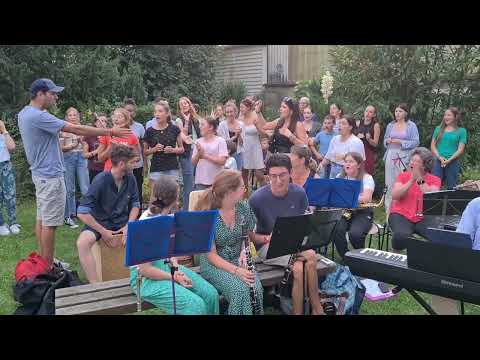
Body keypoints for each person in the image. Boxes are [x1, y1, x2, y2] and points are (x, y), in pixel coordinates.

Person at [18, 78, 132, 266]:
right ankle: (48, 266)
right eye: (52, 93)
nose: (56, 97)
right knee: (50, 223)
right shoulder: (39, 116)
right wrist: (109, 131)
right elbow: (75, 128)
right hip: (50, 175)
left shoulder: (26, 113)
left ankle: (44, 260)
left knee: (42, 218)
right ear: (40, 94)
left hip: (41, 174)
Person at [130, 176, 219, 315]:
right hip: (146, 280)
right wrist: (173, 277)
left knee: (210, 295)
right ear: (175, 200)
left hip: (167, 268)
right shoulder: (146, 223)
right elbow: (145, 270)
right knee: (196, 306)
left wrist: (176, 269)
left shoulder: (168, 218)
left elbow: (170, 253)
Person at [249, 154, 325, 315]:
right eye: (273, 176)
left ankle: (298, 312)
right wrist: (265, 238)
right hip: (268, 248)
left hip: (294, 245)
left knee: (298, 268)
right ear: (268, 175)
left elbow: (306, 223)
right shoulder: (257, 198)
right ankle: (317, 309)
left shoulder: (298, 193)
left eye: (282, 175)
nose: (278, 180)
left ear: (290, 173)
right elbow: (248, 235)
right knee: (310, 256)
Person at [196, 169, 264, 315]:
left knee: (255, 288)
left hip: (237, 261)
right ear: (229, 192)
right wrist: (237, 271)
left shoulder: (243, 208)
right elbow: (211, 256)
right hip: (214, 265)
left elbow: (245, 237)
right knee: (240, 291)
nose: (245, 189)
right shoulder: (207, 214)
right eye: (242, 187)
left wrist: (243, 252)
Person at [76, 145, 140, 283]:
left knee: (147, 235)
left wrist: (129, 225)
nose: (135, 164)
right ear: (122, 164)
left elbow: (135, 204)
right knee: (82, 243)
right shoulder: (101, 180)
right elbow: (82, 212)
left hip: (123, 222)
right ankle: (96, 286)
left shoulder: (131, 178)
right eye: (133, 162)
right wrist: (103, 232)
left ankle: (139, 278)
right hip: (100, 223)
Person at [389, 147, 441, 251]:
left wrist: (419, 180)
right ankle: (396, 256)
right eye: (412, 160)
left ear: (425, 165)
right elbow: (395, 195)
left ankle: (426, 258)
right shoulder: (403, 176)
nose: (412, 163)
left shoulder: (435, 180)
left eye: (417, 161)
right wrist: (411, 181)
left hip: (423, 217)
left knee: (438, 236)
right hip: (401, 214)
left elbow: (432, 195)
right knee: (400, 236)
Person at [331, 152, 375, 258]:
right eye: (346, 161)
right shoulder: (339, 177)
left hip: (362, 212)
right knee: (336, 229)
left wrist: (345, 197)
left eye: (351, 162)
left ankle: (360, 258)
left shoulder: (367, 178)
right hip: (344, 211)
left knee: (355, 235)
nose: (347, 164)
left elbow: (366, 198)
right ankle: (346, 257)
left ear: (359, 165)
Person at [383, 103, 420, 214]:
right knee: (389, 183)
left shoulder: (411, 125)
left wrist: (401, 142)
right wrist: (387, 141)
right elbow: (384, 141)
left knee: (402, 181)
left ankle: (402, 211)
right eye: (396, 111)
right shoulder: (390, 125)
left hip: (404, 156)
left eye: (400, 111)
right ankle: (388, 212)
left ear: (405, 113)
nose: (397, 113)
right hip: (390, 154)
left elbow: (416, 142)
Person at [59, 107, 90, 229]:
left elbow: (87, 145)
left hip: (81, 158)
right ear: (66, 117)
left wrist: (82, 142)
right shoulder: (63, 130)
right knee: (70, 189)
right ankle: (70, 215)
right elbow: (61, 148)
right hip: (68, 158)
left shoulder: (82, 129)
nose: (73, 117)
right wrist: (73, 145)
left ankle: (86, 213)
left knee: (85, 188)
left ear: (78, 116)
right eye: (70, 115)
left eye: (75, 115)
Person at [144, 100, 184, 189]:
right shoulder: (149, 131)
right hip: (156, 168)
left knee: (173, 198)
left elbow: (182, 149)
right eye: (155, 111)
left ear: (167, 113)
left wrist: (173, 150)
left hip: (172, 168)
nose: (157, 114)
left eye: (160, 111)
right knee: (155, 199)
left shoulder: (174, 129)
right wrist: (154, 149)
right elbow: (145, 152)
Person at [431, 107, 467, 189]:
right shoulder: (438, 129)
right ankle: (436, 202)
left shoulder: (462, 131)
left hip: (452, 162)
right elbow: (433, 146)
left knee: (452, 187)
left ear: (455, 117)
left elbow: (460, 149)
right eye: (445, 115)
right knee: (435, 186)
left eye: (449, 115)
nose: (446, 117)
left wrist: (449, 160)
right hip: (438, 161)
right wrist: (440, 158)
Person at [175, 96, 201, 210]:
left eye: (186, 103)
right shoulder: (178, 120)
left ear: (189, 104)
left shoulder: (196, 118)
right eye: (181, 104)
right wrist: (185, 121)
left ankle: (196, 207)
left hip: (197, 151)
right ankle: (186, 209)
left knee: (197, 181)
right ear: (179, 107)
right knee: (189, 182)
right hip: (186, 153)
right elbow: (183, 135)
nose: (184, 105)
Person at [320, 115, 365, 179]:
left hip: (347, 173)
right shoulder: (335, 139)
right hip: (333, 171)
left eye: (343, 123)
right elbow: (328, 157)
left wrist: (343, 157)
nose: (340, 125)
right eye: (339, 123)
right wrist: (321, 166)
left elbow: (360, 163)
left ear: (350, 127)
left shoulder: (356, 142)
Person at [192, 117, 228, 190]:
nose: (199, 127)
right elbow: (193, 162)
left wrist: (204, 156)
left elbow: (222, 161)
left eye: (202, 125)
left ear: (211, 127)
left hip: (216, 181)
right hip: (200, 181)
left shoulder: (220, 141)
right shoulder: (198, 141)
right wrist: (199, 154)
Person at [239, 97, 266, 191]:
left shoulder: (255, 116)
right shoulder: (240, 119)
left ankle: (265, 193)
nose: (241, 109)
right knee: (244, 173)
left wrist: (257, 127)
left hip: (255, 147)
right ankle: (245, 197)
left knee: (259, 174)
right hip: (244, 147)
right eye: (240, 107)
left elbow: (263, 133)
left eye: (242, 107)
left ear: (248, 108)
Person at [124, 98, 146, 209]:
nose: (129, 113)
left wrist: (145, 166)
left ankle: (137, 215)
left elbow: (143, 148)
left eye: (131, 110)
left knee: (137, 189)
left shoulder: (140, 127)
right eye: (127, 110)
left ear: (135, 113)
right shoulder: (119, 128)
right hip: (123, 165)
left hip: (137, 165)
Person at [0, 119, 20, 236]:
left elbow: (12, 147)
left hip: (6, 166)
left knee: (10, 195)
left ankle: (13, 222)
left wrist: (4, 130)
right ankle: (1, 224)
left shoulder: (4, 136)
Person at [217, 101, 245, 170]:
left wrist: (239, 135)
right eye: (227, 112)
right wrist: (235, 137)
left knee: (237, 175)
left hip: (238, 154)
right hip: (225, 155)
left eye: (231, 111)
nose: (229, 114)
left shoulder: (241, 125)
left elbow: (242, 144)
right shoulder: (222, 125)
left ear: (235, 112)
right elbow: (222, 143)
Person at [356, 105, 381, 175]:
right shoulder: (358, 123)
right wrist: (356, 136)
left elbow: (375, 143)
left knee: (366, 174)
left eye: (370, 112)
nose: (367, 113)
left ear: (374, 115)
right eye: (366, 111)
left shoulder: (376, 125)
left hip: (369, 153)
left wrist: (369, 139)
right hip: (358, 151)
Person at [83, 113, 107, 182]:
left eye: (105, 121)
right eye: (101, 121)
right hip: (94, 169)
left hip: (107, 168)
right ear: (95, 123)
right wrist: (96, 152)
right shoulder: (88, 136)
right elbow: (85, 155)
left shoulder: (109, 136)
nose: (103, 123)